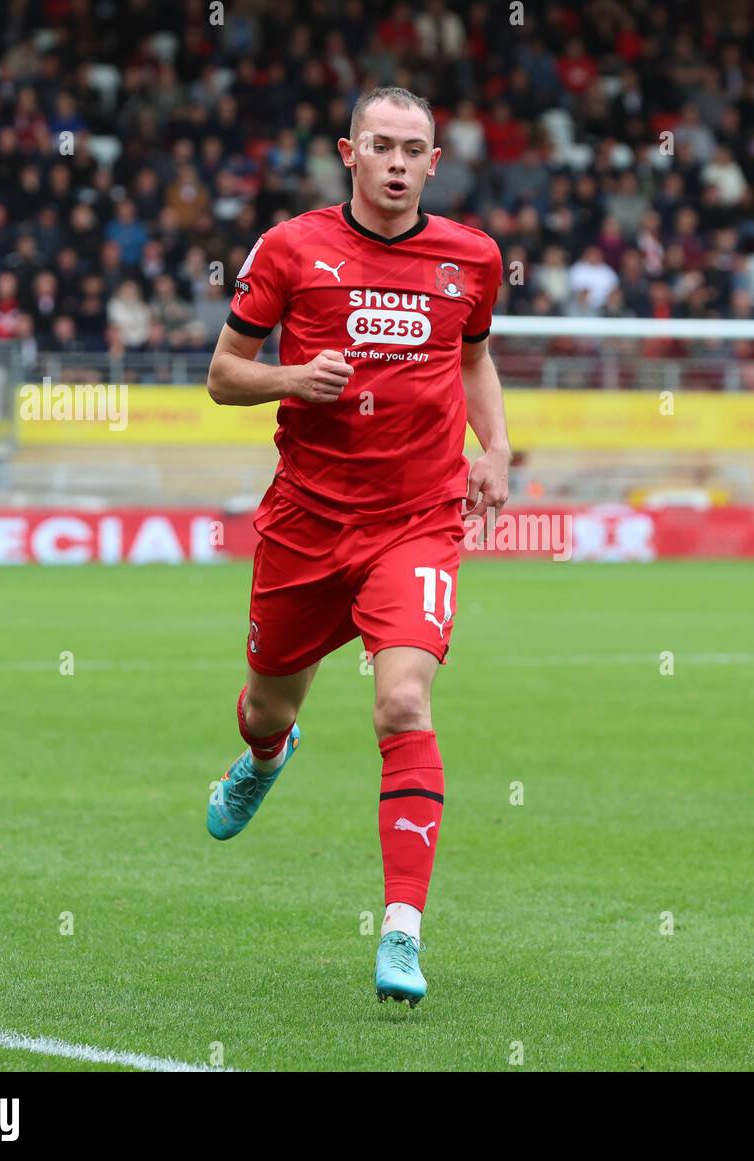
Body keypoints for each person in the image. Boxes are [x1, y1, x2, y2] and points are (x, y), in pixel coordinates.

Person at [203, 87, 509, 1009]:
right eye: (381, 145)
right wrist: (295, 376)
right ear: (349, 151)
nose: (398, 162)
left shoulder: (472, 257)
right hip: (304, 523)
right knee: (264, 703)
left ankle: (403, 932)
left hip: (415, 520)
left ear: (434, 162)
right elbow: (222, 374)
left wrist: (495, 450)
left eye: (414, 149)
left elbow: (474, 355)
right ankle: (267, 755)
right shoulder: (291, 249)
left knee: (403, 703)